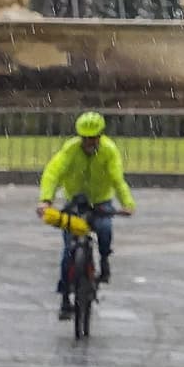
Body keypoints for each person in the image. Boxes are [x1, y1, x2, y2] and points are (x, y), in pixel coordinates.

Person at [39, 110, 135, 316]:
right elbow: (53, 173)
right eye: (85, 138)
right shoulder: (70, 149)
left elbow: (117, 180)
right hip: (76, 202)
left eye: (93, 138)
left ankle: (104, 260)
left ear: (100, 136)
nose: (89, 142)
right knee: (68, 250)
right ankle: (65, 297)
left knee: (105, 229)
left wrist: (127, 204)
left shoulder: (109, 151)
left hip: (101, 201)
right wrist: (46, 200)